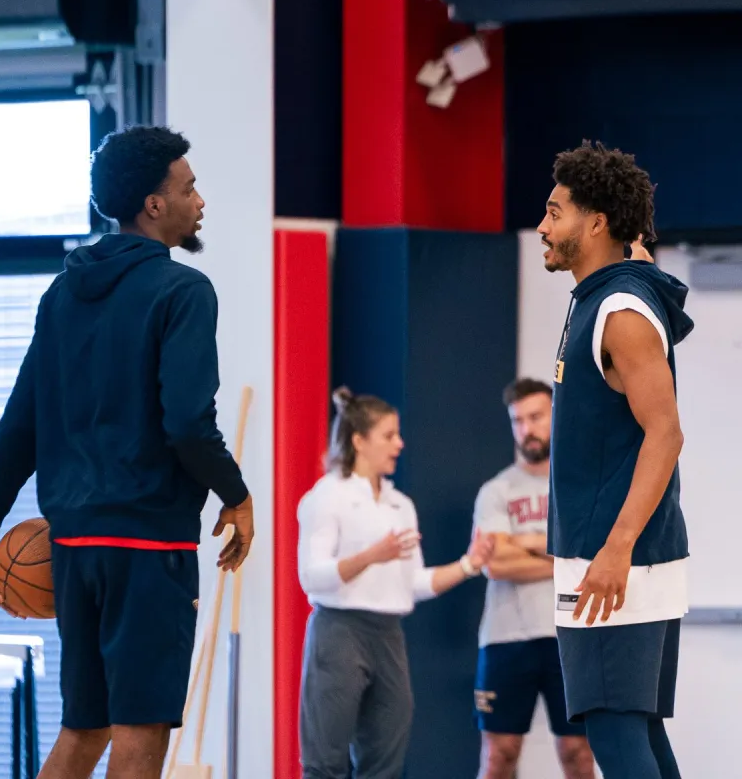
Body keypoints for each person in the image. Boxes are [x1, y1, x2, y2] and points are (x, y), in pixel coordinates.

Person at [0, 125, 255, 779]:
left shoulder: (61, 294)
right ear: (154, 206)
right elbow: (186, 422)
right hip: (148, 548)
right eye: (188, 188)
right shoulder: (183, 291)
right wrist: (237, 496)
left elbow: (20, 423)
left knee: (85, 729)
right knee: (140, 737)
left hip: (72, 547)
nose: (200, 201)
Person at [537, 140, 693, 779]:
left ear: (595, 223)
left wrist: (616, 548)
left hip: (614, 562)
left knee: (615, 738)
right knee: (640, 739)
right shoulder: (608, 294)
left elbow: (666, 434)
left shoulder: (619, 309)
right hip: (623, 558)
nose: (543, 226)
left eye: (555, 212)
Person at [297, 387, 493, 779]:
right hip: (339, 632)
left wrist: (470, 564)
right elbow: (311, 577)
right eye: (389, 436)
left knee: (385, 763)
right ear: (358, 440)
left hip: (388, 636)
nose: (399, 444)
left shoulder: (400, 505)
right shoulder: (328, 496)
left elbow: (414, 583)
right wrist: (372, 555)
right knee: (325, 763)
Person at [473, 378, 594, 779]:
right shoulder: (496, 490)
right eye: (517, 420)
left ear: (556, 415)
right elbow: (496, 565)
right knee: (499, 755)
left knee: (578, 751)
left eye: (536, 417)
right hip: (506, 637)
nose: (526, 428)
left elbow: (591, 558)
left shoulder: (580, 486)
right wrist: (561, 556)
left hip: (570, 636)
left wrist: (522, 541)